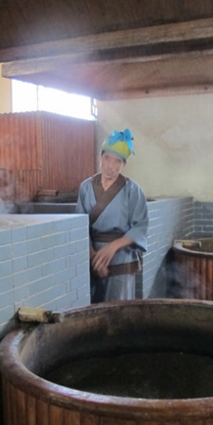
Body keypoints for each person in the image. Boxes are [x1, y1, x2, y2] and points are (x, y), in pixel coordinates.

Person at [76, 128, 149, 303]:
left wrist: (113, 247)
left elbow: (140, 226)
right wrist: (94, 256)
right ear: (100, 157)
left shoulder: (133, 191)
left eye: (117, 161)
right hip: (91, 257)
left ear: (124, 165)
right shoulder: (86, 188)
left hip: (121, 259)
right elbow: (79, 227)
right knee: (91, 311)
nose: (110, 165)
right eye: (107, 158)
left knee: (118, 313)